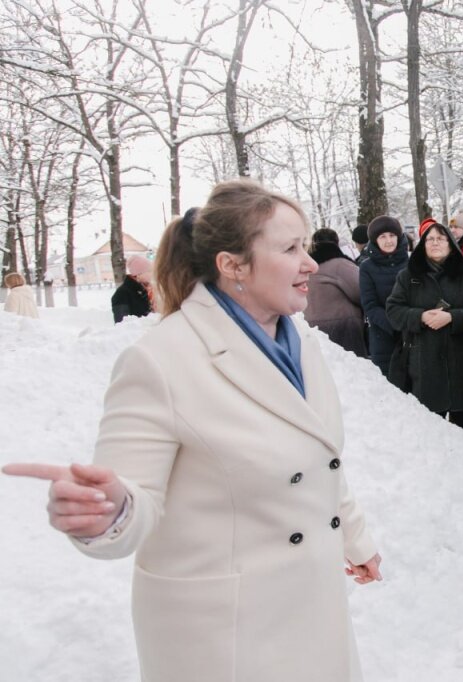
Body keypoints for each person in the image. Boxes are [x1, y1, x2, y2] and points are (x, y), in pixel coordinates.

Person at [2, 179, 382, 682]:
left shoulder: (302, 344)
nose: (310, 264)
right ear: (233, 265)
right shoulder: (160, 359)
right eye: (291, 249)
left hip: (312, 610)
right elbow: (133, 499)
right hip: (227, 635)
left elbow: (320, 461)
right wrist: (107, 512)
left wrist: (355, 539)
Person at [386, 218, 463, 436]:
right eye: (429, 239)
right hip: (424, 363)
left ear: (451, 244)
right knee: (429, 433)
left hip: (461, 363)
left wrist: (452, 318)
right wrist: (420, 316)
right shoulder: (408, 276)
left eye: (440, 238)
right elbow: (393, 311)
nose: (434, 242)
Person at [305, 227, 367, 357]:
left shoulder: (306, 268)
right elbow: (362, 292)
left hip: (311, 326)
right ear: (336, 242)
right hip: (342, 328)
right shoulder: (340, 264)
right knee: (352, 366)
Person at [360, 216, 409, 374]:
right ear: (375, 240)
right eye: (382, 236)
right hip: (383, 337)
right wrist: (395, 324)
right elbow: (370, 305)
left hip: (413, 334)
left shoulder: (412, 262)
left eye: (392, 235)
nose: (388, 241)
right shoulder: (367, 267)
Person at [111, 255, 154, 323]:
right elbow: (122, 324)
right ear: (138, 274)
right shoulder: (122, 294)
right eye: (149, 271)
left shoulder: (147, 289)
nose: (153, 274)